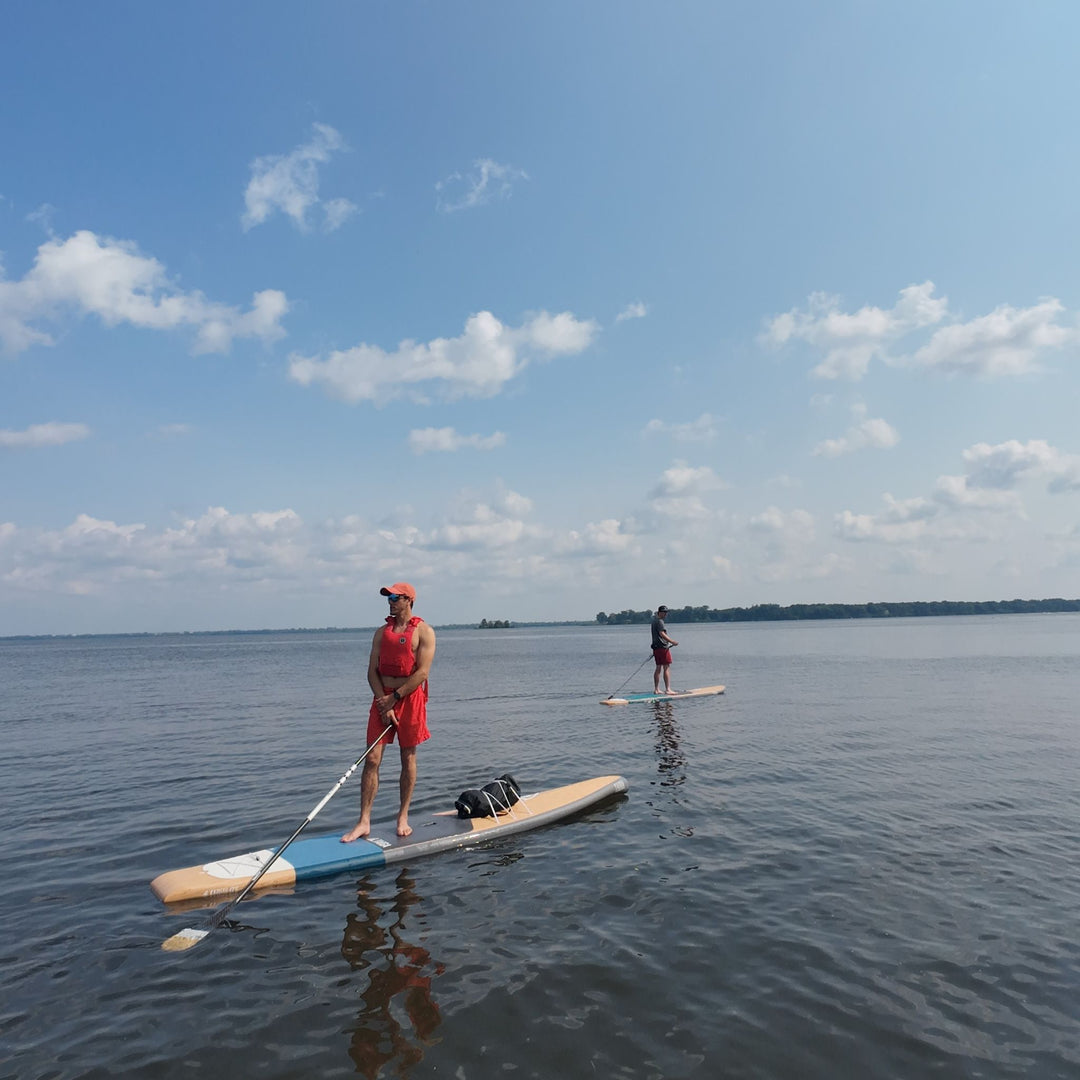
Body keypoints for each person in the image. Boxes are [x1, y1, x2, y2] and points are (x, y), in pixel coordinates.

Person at [342, 583, 436, 841]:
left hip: (409, 698)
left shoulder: (425, 632)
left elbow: (422, 673)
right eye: (388, 598)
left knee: (408, 758)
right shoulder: (381, 633)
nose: (391, 602)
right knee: (372, 759)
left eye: (395, 597)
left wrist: (396, 698)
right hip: (382, 698)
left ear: (409, 600)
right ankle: (364, 821)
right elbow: (371, 670)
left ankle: (402, 816)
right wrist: (383, 702)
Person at [651, 605, 678, 694]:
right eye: (664, 612)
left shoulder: (654, 621)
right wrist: (672, 641)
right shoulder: (660, 621)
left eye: (666, 612)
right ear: (659, 612)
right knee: (666, 667)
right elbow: (662, 633)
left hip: (656, 648)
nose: (665, 614)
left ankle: (656, 689)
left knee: (658, 667)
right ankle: (668, 689)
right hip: (662, 648)